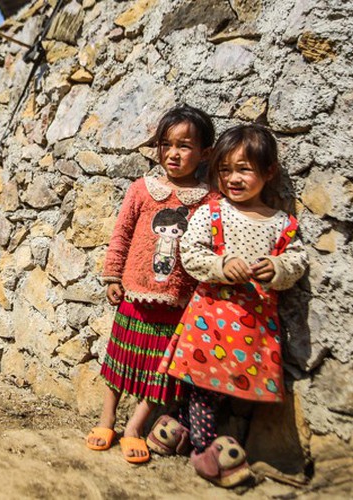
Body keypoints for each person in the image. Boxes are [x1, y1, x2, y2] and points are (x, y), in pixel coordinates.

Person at [156, 124, 308, 487]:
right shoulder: (212, 214)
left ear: (268, 172)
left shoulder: (281, 225)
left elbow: (297, 260)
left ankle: (180, 429)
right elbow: (191, 254)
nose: (233, 178)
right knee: (204, 386)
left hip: (253, 327)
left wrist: (278, 268)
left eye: (244, 169)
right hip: (210, 320)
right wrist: (222, 266)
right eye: (225, 170)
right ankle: (207, 451)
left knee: (233, 389)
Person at [85, 105, 218, 464]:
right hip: (133, 295)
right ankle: (107, 419)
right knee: (119, 360)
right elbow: (122, 235)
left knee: (160, 371)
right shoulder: (141, 190)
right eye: (166, 144)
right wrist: (113, 275)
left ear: (205, 153)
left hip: (176, 303)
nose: (173, 153)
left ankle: (134, 428)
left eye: (185, 146)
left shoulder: (209, 201)